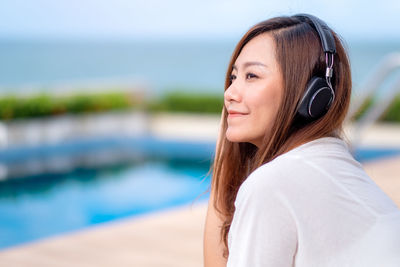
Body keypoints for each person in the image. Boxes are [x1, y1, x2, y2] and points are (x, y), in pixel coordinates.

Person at [203, 14, 400, 267]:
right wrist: (225, 158)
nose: (229, 94)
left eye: (251, 76)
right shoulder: (336, 169)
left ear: (310, 93)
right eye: (232, 78)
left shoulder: (272, 184)